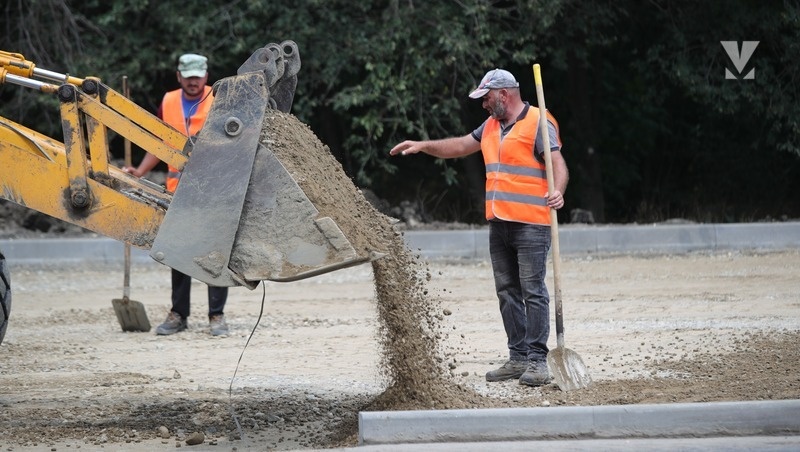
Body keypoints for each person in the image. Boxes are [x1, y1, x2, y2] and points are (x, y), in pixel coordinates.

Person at [389, 68, 568, 386]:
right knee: (507, 292)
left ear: (504, 94)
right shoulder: (491, 125)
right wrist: (423, 145)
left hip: (531, 223)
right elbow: (459, 146)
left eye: (486, 98)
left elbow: (558, 164)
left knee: (533, 292)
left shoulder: (539, 122)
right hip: (499, 222)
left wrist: (559, 191)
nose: (484, 104)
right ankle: (518, 358)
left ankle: (538, 362)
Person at [123, 53, 229, 337]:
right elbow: (160, 143)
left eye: (198, 77)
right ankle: (178, 314)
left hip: (214, 192)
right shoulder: (169, 101)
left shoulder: (220, 99)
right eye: (188, 77)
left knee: (214, 254)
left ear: (206, 77)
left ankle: (216, 316)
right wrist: (140, 172)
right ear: (179, 76)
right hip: (178, 194)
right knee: (178, 253)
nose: (193, 82)